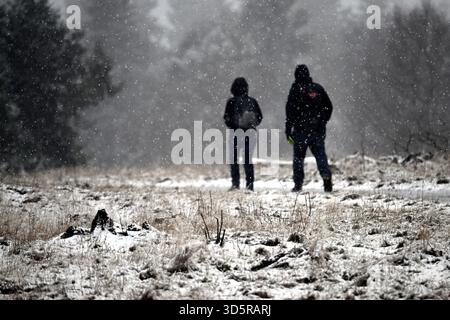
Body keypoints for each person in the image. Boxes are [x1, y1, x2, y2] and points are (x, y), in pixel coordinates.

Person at [285, 65, 333, 193]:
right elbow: (329, 106)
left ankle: (298, 184)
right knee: (320, 156)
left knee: (298, 158)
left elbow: (289, 112)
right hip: (317, 130)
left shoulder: (295, 89)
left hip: (300, 131)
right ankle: (326, 177)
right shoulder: (317, 88)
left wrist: (288, 129)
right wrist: (323, 121)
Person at [224, 77, 263, 191]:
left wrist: (233, 125)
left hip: (236, 133)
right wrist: (251, 124)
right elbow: (260, 117)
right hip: (250, 133)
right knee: (247, 159)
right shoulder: (252, 101)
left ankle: (235, 184)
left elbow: (227, 118)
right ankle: (250, 185)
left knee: (234, 159)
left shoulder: (231, 102)